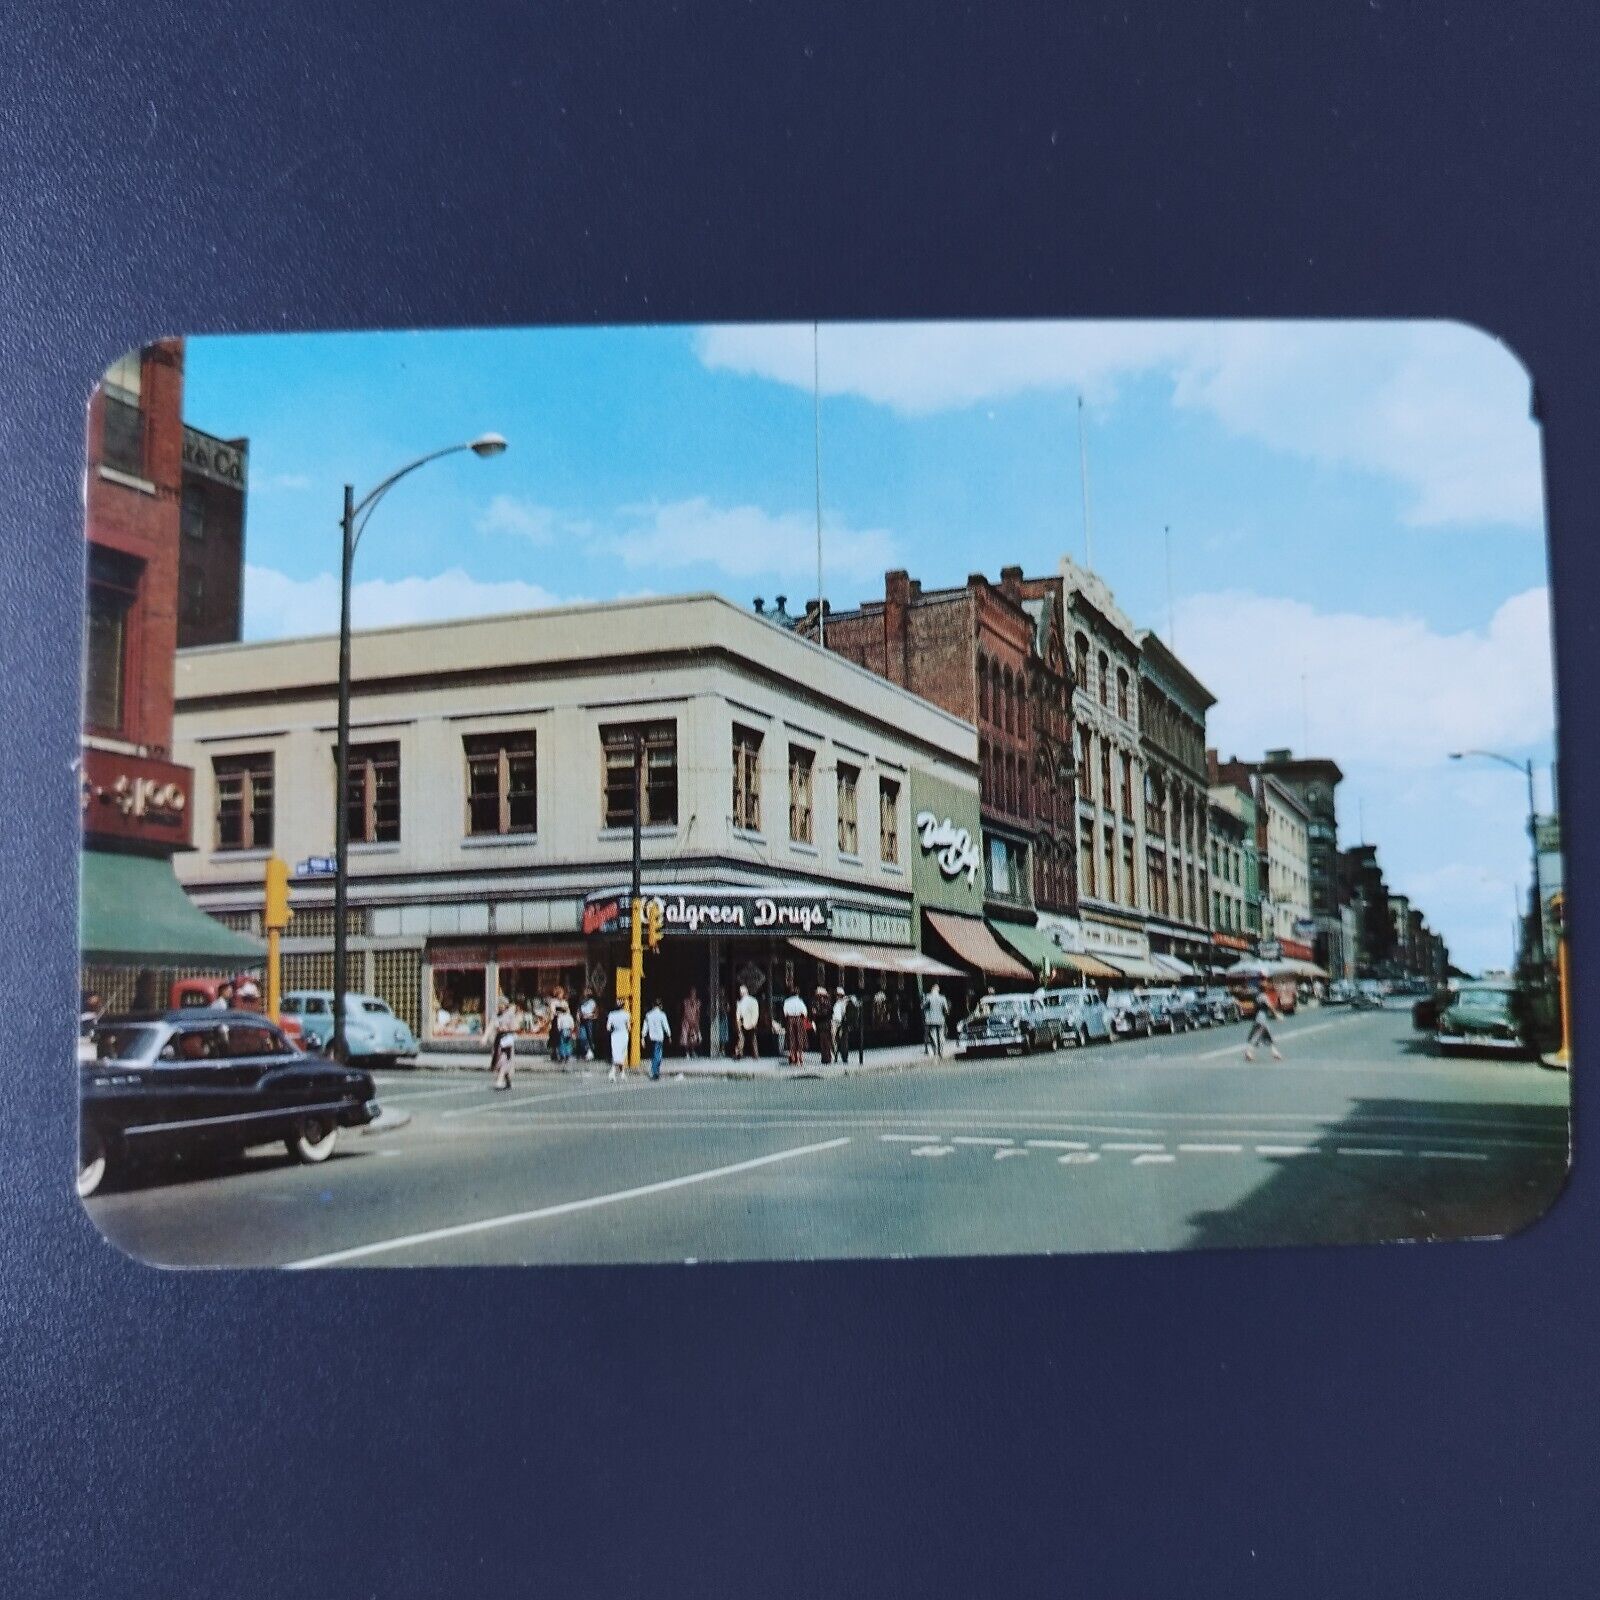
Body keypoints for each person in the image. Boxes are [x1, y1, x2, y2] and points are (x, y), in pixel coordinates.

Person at [1244, 984, 1284, 1062]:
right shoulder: (1263, 996)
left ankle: (1275, 1052)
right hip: (1261, 1018)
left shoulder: (1256, 996)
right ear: (1263, 988)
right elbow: (1269, 1005)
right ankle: (1248, 1052)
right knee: (1257, 1035)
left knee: (1267, 1035)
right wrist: (1277, 1014)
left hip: (1259, 1017)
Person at [488, 1000, 519, 1090]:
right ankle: (508, 1081)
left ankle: (499, 1080)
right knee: (499, 1062)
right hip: (498, 1040)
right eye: (499, 1005)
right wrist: (485, 1037)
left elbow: (516, 1027)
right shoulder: (496, 1015)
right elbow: (491, 1026)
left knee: (504, 1060)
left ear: (506, 1005)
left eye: (502, 1005)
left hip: (507, 1040)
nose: (500, 1006)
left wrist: (507, 1028)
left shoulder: (510, 1015)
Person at [643, 997, 672, 1081]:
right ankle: (655, 1072)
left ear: (653, 1005)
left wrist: (643, 1037)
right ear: (660, 1005)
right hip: (659, 1037)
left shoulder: (648, 1015)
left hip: (651, 1037)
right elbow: (665, 1026)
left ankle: (655, 1071)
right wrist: (669, 1035)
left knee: (654, 1054)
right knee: (658, 1055)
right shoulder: (662, 1015)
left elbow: (645, 1026)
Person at [782, 984, 810, 1065]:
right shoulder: (800, 1001)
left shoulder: (787, 1001)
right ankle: (800, 1058)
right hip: (798, 1020)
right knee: (799, 1038)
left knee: (791, 1039)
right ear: (797, 994)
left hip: (790, 1020)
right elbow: (805, 1012)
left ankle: (793, 1058)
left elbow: (785, 1013)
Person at [606, 998, 632, 1080]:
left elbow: (608, 1028)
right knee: (622, 1054)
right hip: (624, 1035)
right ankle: (613, 1072)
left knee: (616, 1054)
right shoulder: (626, 1014)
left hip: (615, 1035)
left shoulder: (611, 1014)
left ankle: (622, 1073)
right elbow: (629, 1027)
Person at [923, 982, 950, 1058]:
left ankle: (935, 1051)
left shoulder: (928, 997)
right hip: (941, 1019)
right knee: (941, 1035)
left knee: (933, 1034)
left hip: (931, 1019)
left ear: (932, 989)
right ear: (938, 990)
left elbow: (923, 1006)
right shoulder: (942, 998)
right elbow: (947, 1010)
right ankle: (940, 1050)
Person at [734, 984, 761, 1059]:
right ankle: (754, 1055)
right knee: (750, 1039)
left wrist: (738, 1022)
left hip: (747, 1022)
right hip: (749, 1022)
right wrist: (754, 1022)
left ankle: (740, 1053)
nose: (741, 993)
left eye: (741, 992)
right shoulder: (752, 1001)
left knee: (743, 1038)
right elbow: (756, 1013)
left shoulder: (743, 1002)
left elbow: (738, 1014)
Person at [812, 985, 834, 1065]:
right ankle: (824, 1058)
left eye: (818, 994)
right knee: (822, 1042)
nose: (817, 995)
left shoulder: (826, 1002)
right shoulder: (817, 1002)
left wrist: (817, 1013)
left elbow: (825, 1013)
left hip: (825, 1024)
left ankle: (827, 1058)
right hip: (821, 1024)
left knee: (826, 1041)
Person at [551, 992, 575, 1063]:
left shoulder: (565, 1003)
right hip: (559, 1024)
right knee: (560, 1041)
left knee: (565, 1042)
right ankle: (561, 1054)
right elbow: (553, 1012)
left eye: (562, 995)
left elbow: (568, 1012)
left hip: (565, 1026)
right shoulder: (554, 1002)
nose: (561, 996)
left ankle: (565, 1055)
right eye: (559, 995)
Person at [680, 987, 703, 1058]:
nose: (693, 994)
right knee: (685, 1036)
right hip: (686, 1021)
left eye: (694, 993)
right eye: (692, 993)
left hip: (694, 1021)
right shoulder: (685, 1001)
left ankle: (693, 1051)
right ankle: (687, 1053)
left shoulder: (698, 1002)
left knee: (693, 1037)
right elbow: (682, 1011)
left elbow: (698, 1013)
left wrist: (697, 1022)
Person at [577, 989, 598, 1062]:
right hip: (582, 1020)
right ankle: (584, 1051)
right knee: (582, 1037)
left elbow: (595, 1014)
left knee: (590, 1036)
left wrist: (589, 1016)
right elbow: (579, 1011)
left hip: (589, 1020)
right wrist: (579, 1017)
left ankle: (590, 1052)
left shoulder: (592, 1002)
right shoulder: (581, 1002)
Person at [831, 987, 848, 1064]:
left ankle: (836, 1056)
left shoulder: (842, 1003)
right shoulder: (843, 1002)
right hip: (839, 1022)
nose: (837, 996)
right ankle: (839, 1057)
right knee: (839, 1040)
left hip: (837, 1022)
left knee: (835, 1040)